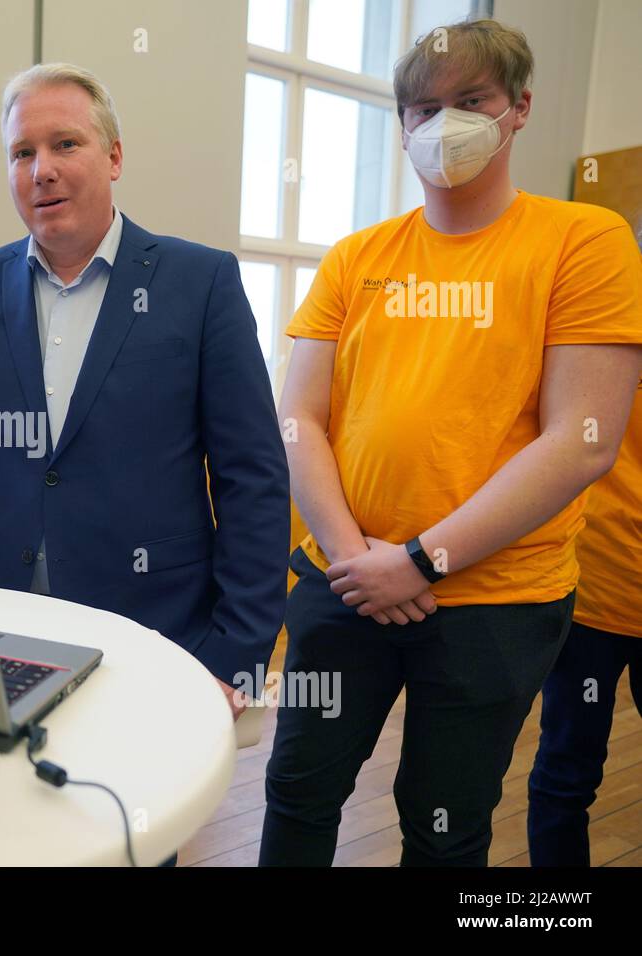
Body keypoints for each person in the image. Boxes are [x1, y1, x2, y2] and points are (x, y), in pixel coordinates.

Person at [262, 19, 642, 866]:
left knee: (443, 823)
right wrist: (357, 556)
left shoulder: (582, 241)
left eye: (470, 101)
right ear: (401, 126)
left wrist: (422, 559)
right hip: (343, 579)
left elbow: (581, 441)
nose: (444, 126)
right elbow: (299, 419)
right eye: (424, 108)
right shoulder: (358, 256)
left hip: (495, 600)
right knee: (297, 791)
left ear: (519, 110)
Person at [0, 63, 290, 724]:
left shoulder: (200, 283)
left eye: (65, 144)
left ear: (113, 157)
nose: (42, 170)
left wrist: (237, 656)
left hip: (156, 637)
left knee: (143, 826)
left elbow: (252, 477)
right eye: (22, 153)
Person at [528, 376, 642, 866]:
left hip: (593, 581)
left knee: (563, 773)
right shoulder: (600, 310)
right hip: (593, 587)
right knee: (565, 773)